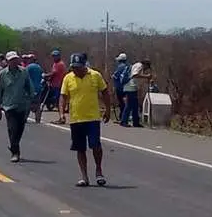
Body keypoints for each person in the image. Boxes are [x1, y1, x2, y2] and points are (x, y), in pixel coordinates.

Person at [59, 53, 111, 187]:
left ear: (84, 65)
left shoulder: (95, 75)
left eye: (79, 67)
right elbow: (63, 96)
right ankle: (84, 176)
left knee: (95, 145)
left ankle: (99, 171)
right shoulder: (68, 78)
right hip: (76, 118)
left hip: (93, 117)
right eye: (74, 67)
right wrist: (62, 113)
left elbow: (105, 92)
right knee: (80, 148)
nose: (76, 70)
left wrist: (108, 109)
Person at [0, 51, 35, 162]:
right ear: (7, 61)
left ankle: (14, 145)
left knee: (20, 129)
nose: (14, 61)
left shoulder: (23, 72)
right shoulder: (3, 74)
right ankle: (15, 152)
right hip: (9, 106)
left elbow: (29, 87)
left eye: (15, 59)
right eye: (11, 60)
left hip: (22, 105)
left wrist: (33, 101)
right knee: (12, 128)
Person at [120, 59, 152, 127]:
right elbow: (134, 75)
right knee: (129, 104)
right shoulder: (139, 66)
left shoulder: (137, 65)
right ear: (145, 65)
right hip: (130, 86)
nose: (146, 69)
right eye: (147, 67)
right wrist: (146, 76)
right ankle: (124, 121)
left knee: (135, 105)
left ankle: (135, 122)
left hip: (132, 87)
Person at [24, 54, 44, 123]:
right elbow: (42, 76)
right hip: (38, 88)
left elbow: (24, 76)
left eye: (29, 59)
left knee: (27, 104)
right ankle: (38, 119)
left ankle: (24, 118)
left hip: (30, 88)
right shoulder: (39, 67)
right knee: (37, 105)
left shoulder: (28, 67)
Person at [112, 53, 129, 120]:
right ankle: (124, 117)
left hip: (119, 87)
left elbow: (115, 76)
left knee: (121, 102)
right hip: (127, 87)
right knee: (125, 102)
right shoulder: (127, 67)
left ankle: (122, 117)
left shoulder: (120, 67)